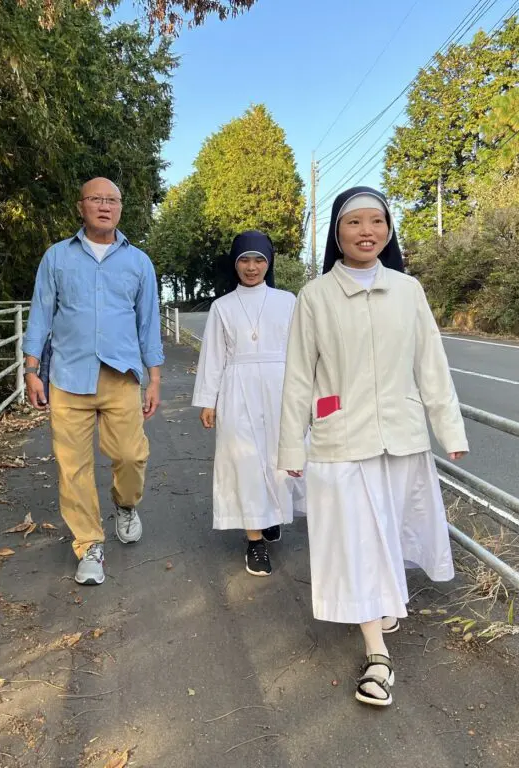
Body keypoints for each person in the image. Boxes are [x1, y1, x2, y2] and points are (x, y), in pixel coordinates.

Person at [277, 186, 469, 707]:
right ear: (336, 234)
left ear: (388, 230)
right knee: (358, 542)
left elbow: (431, 364)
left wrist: (450, 431)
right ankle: (377, 655)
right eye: (354, 223)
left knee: (392, 533)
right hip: (342, 440)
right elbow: (298, 378)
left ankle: (379, 604)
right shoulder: (314, 296)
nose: (367, 231)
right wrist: (290, 449)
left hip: (402, 438)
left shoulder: (409, 291)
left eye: (377, 222)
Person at [22, 177, 164, 587]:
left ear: (121, 208)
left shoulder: (138, 262)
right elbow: (41, 314)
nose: (104, 206)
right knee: (73, 466)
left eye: (112, 200)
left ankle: (125, 504)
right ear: (81, 206)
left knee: (130, 455)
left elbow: (148, 324)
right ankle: (89, 543)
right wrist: (32, 370)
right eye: (96, 199)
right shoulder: (56, 257)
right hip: (68, 376)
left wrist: (154, 379)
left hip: (121, 377)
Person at [192, 231, 306, 577]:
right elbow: (213, 356)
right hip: (237, 388)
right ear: (235, 263)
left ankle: (270, 516)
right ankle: (254, 537)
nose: (252, 267)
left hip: (280, 386)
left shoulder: (288, 300)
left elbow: (303, 351)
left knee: (278, 458)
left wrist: (308, 396)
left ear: (269, 262)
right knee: (243, 459)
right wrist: (207, 401)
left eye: (259, 260)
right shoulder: (222, 306)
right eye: (244, 260)